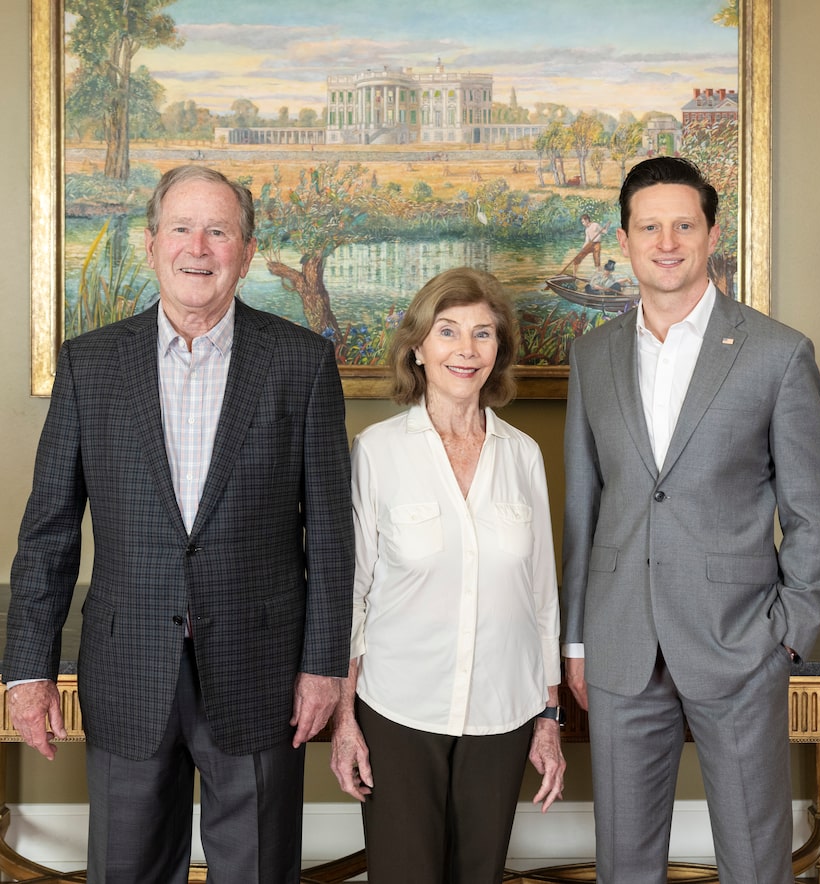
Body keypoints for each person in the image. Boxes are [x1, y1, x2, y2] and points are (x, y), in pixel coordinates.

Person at [2, 165, 355, 884]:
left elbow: (331, 533)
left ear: (248, 251)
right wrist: (27, 671)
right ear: (151, 242)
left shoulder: (302, 363)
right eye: (183, 228)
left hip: (262, 672)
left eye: (219, 231)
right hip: (127, 669)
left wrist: (322, 665)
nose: (200, 248)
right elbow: (49, 533)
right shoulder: (90, 366)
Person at [562, 155, 820, 884]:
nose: (667, 240)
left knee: (753, 857)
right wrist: (577, 638)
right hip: (620, 644)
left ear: (713, 235)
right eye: (649, 226)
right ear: (625, 239)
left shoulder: (778, 354)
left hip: (741, 639)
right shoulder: (592, 356)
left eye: (684, 224)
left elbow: (815, 513)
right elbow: (585, 506)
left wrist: (790, 630)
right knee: (625, 862)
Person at [329, 267, 566, 884]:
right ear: (418, 347)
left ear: (498, 350)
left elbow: (542, 595)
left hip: (504, 711)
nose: (467, 350)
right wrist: (345, 717)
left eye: (483, 334)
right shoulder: (377, 452)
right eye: (448, 331)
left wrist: (549, 719)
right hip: (399, 707)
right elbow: (351, 592)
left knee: (480, 875)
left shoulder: (523, 456)